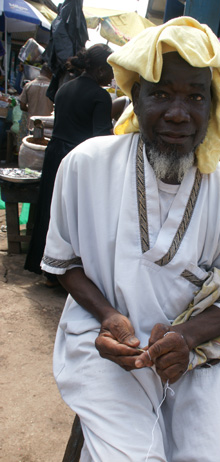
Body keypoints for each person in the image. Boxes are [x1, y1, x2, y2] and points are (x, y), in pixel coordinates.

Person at [41, 17, 220, 462]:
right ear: (135, 99)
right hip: (103, 343)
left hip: (199, 354)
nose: (179, 113)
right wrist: (108, 315)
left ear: (213, 105)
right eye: (160, 93)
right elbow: (65, 263)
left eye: (195, 96)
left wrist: (187, 339)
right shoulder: (86, 166)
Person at [24, 44, 114, 285]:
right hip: (79, 160)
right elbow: (102, 139)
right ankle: (69, 276)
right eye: (110, 69)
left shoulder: (64, 89)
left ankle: (47, 271)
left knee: (50, 210)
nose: (113, 75)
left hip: (55, 155)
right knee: (76, 216)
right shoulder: (100, 97)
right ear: (100, 69)